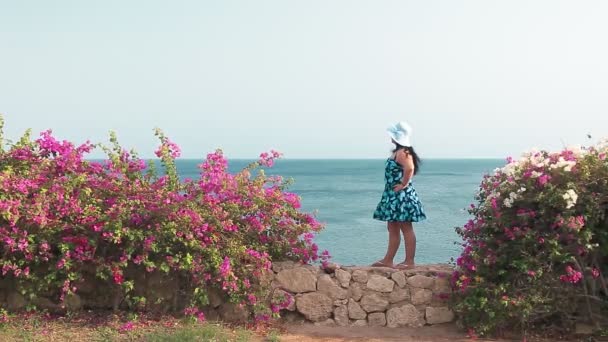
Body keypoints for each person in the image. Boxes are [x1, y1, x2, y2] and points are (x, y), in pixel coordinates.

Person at [372, 121, 426, 269]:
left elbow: (410, 168)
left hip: (401, 196)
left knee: (405, 227)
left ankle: (409, 261)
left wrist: (403, 184)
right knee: (392, 227)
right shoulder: (400, 152)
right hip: (393, 195)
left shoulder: (403, 153)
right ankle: (388, 260)